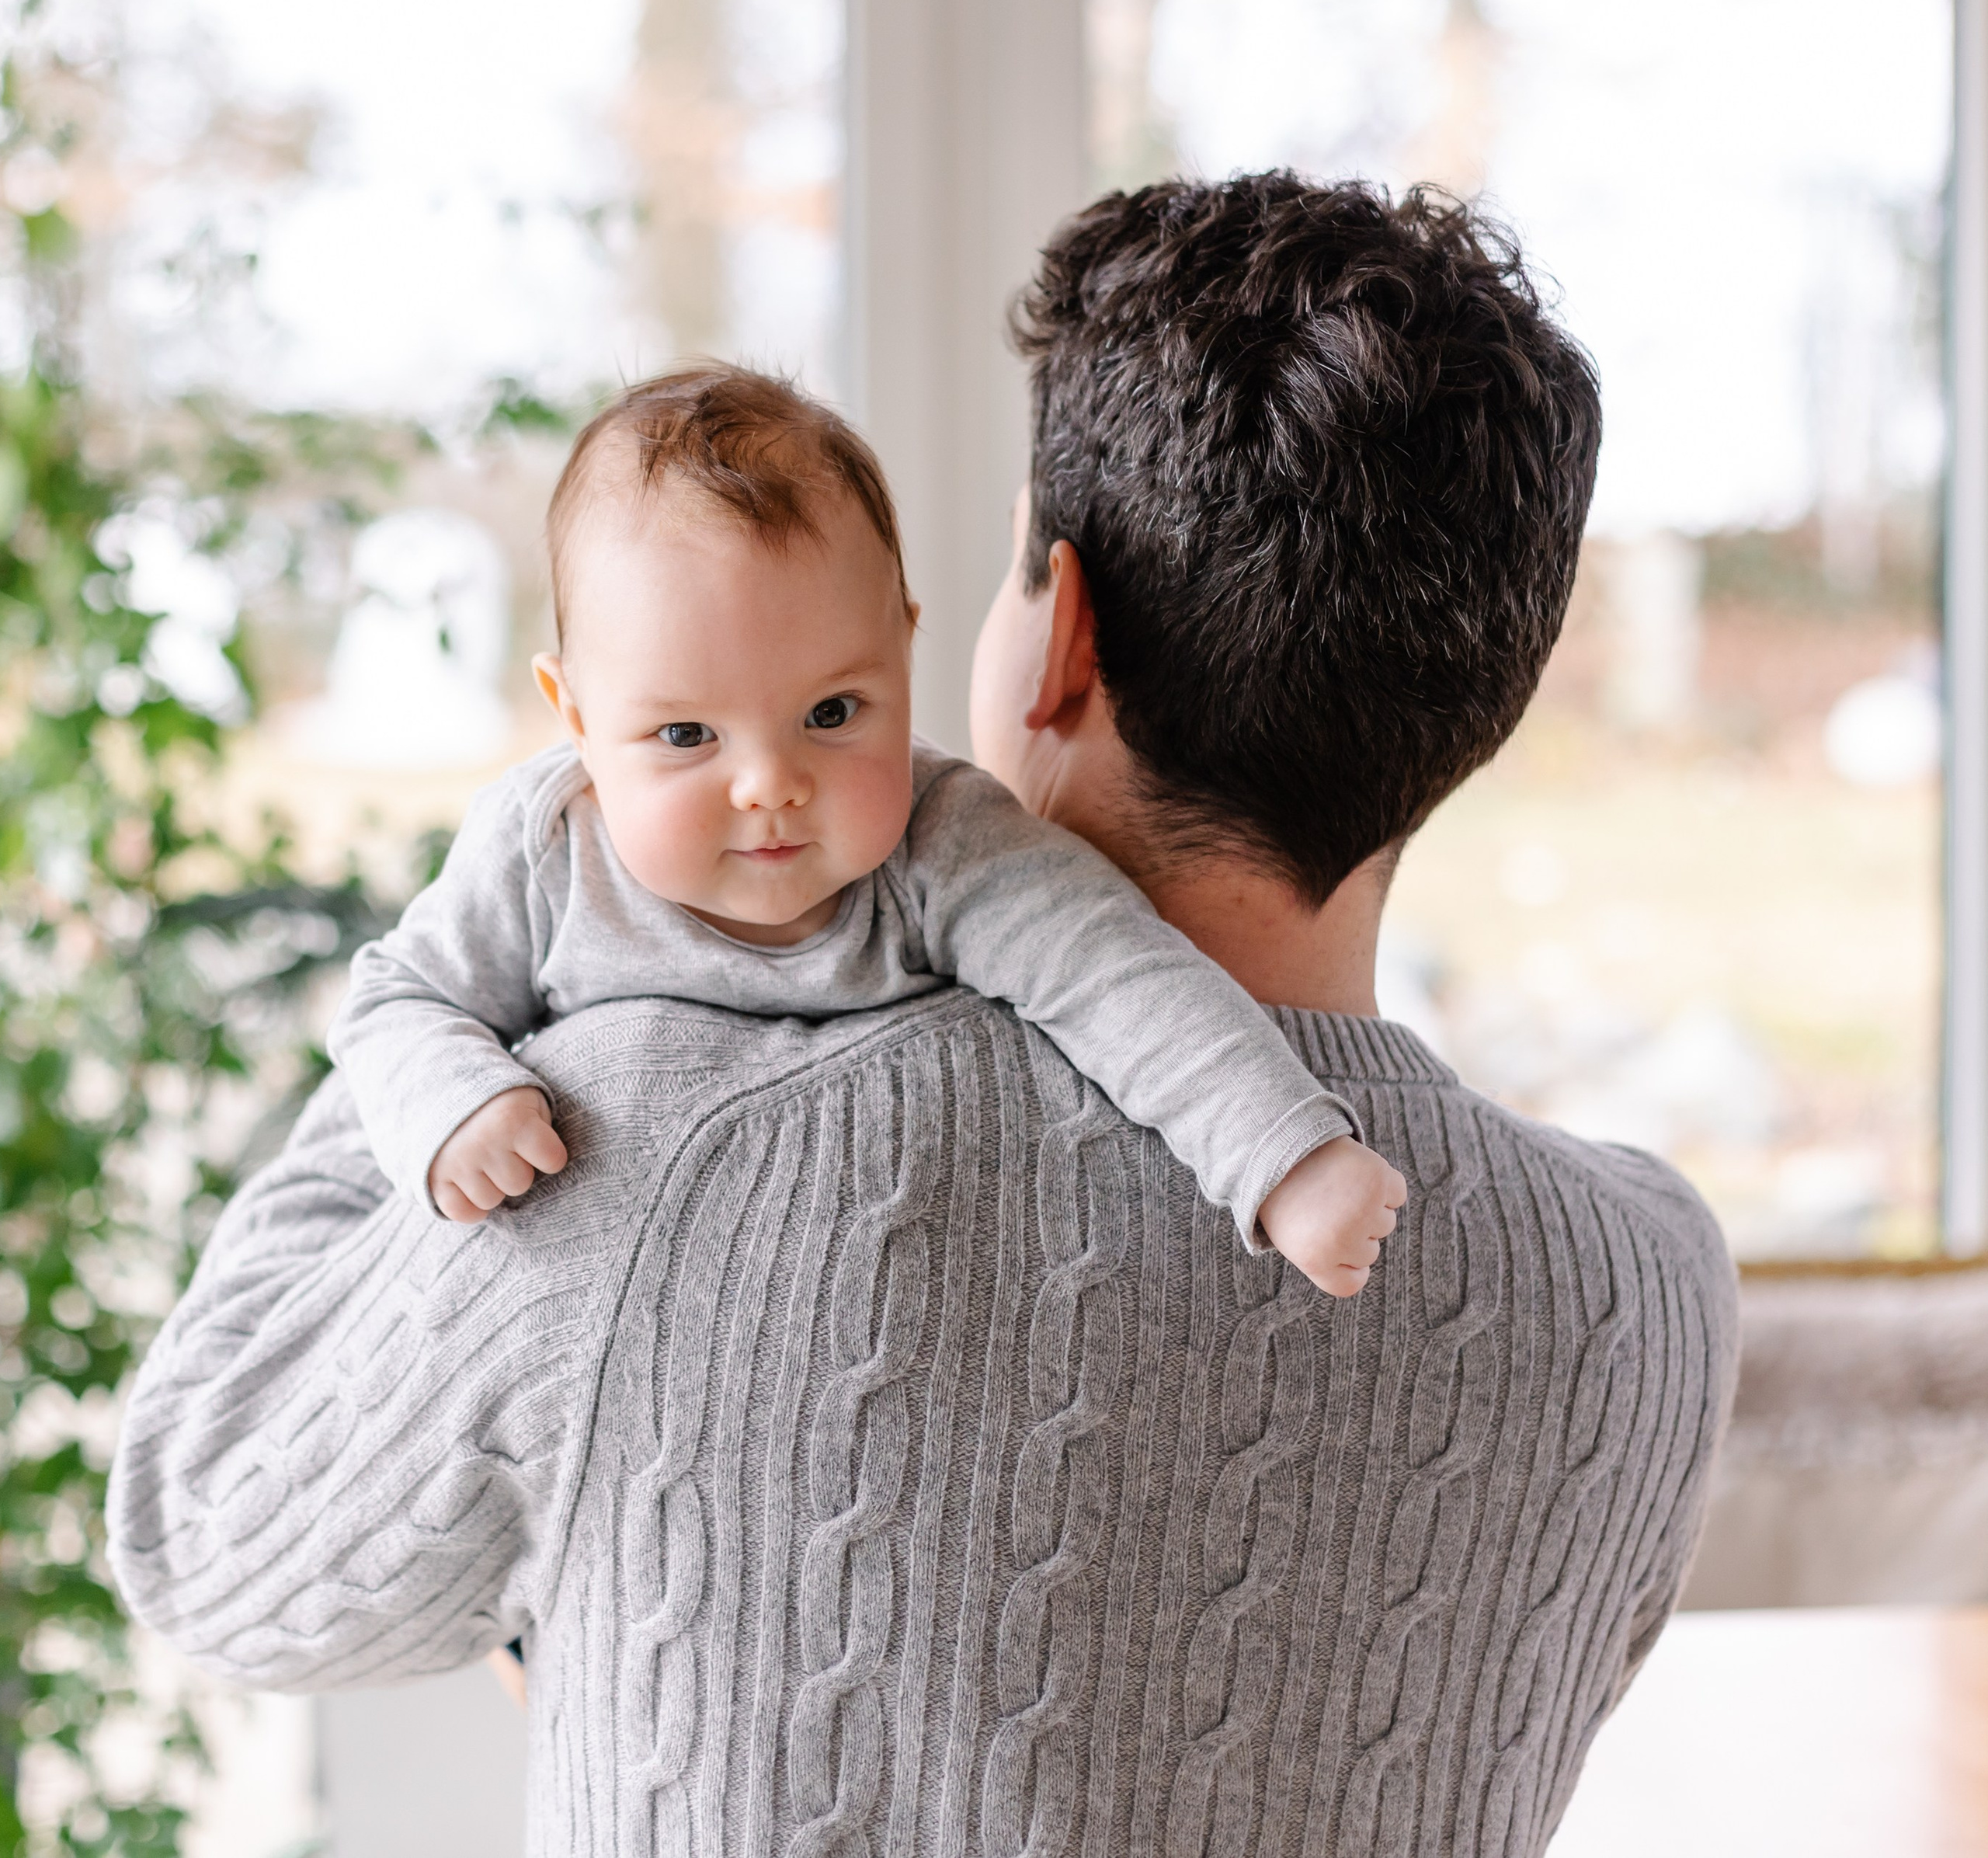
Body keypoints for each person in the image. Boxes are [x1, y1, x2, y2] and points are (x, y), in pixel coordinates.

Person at [108, 174, 1739, 1858]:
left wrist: (478, 955)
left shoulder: (637, 1140)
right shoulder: (1640, 1289)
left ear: (1059, 635)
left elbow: (197, 1536)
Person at [328, 367, 1402, 1291]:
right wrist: (453, 1100)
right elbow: (398, 997)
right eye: (687, 733)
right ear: (575, 719)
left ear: (903, 650)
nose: (769, 786)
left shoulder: (947, 844)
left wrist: (1284, 1156)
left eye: (833, 715)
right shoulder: (548, 851)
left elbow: (1116, 974)